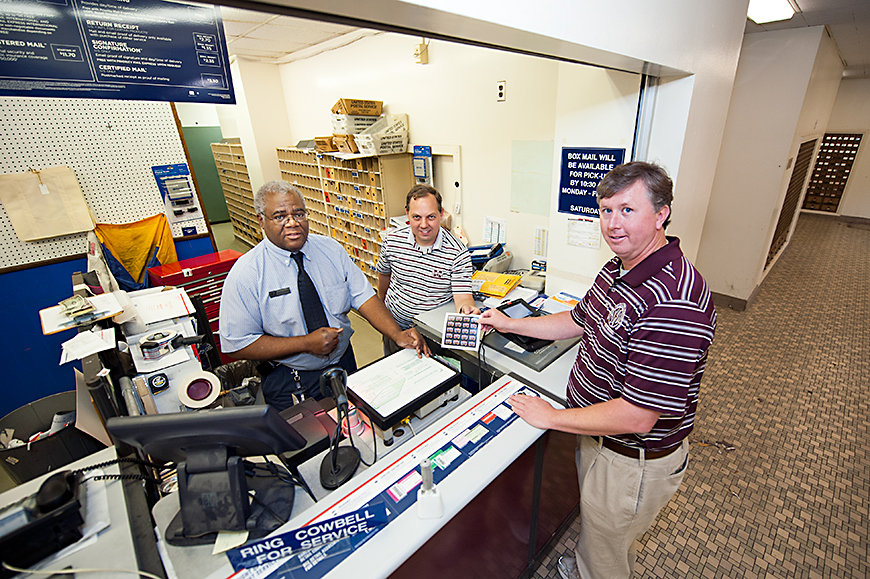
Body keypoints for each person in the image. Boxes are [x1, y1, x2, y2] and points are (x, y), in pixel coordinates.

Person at [480, 161, 716, 579]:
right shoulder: (619, 268)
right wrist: (510, 323)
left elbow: (638, 416)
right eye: (606, 210)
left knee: (610, 549)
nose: (612, 224)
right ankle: (588, 563)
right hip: (600, 437)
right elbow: (578, 319)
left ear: (661, 214)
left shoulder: (675, 299)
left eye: (627, 210)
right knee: (601, 528)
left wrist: (551, 416)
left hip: (631, 459)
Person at [219, 180, 429, 411]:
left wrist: (396, 333)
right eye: (279, 216)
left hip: (344, 365)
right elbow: (236, 343)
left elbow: (364, 296)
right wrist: (305, 343)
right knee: (309, 443)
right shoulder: (247, 273)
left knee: (358, 430)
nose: (292, 223)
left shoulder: (330, 250)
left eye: (299, 213)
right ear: (261, 220)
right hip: (291, 379)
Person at [376, 183, 479, 354]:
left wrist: (467, 310)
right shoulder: (392, 240)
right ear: (407, 214)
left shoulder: (457, 252)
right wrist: (383, 311)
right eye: (417, 217)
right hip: (395, 328)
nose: (424, 225)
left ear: (441, 214)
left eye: (431, 217)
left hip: (429, 336)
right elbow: (384, 275)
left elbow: (463, 297)